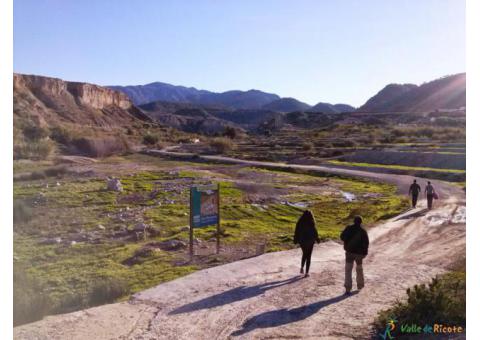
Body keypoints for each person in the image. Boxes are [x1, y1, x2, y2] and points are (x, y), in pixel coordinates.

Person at [340, 216, 369, 294]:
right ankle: (360, 285)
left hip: (349, 252)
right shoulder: (363, 231)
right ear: (361, 222)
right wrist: (364, 253)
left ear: (354, 221)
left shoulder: (348, 228)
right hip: (359, 254)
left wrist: (347, 241)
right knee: (359, 268)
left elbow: (342, 237)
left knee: (348, 269)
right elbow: (366, 243)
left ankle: (348, 288)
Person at [293, 210, 320, 277]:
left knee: (304, 254)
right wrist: (317, 239)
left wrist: (295, 240)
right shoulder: (311, 222)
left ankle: (302, 268)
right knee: (308, 256)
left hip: (302, 241)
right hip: (310, 241)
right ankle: (307, 273)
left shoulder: (299, 222)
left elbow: (296, 231)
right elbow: (315, 231)